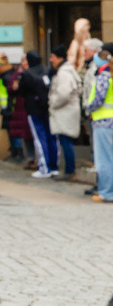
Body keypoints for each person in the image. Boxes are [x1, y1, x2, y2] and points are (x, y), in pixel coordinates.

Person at [19, 51, 58, 178]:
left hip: (34, 110)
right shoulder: (47, 71)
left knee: (40, 139)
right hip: (47, 109)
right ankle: (54, 166)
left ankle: (44, 168)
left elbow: (22, 91)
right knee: (51, 137)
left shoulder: (27, 74)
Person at [48, 45, 82, 180]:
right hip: (67, 111)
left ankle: (69, 171)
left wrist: (53, 104)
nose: (51, 60)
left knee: (66, 141)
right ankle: (69, 170)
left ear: (60, 58)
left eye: (53, 57)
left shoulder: (63, 73)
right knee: (65, 141)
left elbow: (64, 94)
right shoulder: (67, 71)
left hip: (64, 112)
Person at [85, 43, 113, 203]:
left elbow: (98, 99)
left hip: (103, 122)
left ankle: (106, 192)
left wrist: (88, 107)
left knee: (105, 160)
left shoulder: (104, 77)